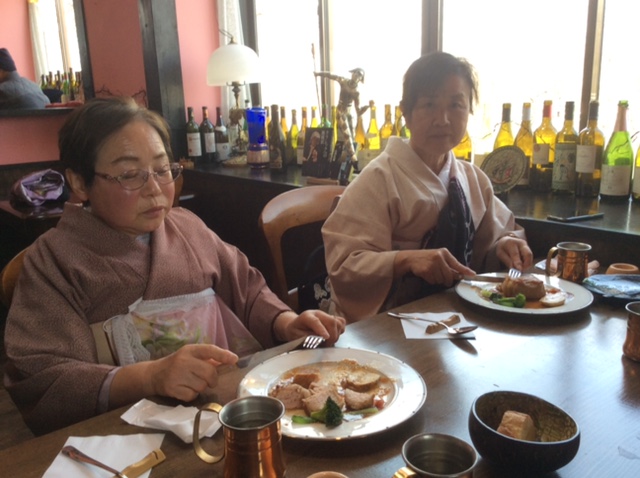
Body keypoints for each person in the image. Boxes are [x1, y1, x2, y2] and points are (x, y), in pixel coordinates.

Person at [3, 97, 346, 434]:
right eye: (130, 174)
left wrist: (286, 323)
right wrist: (150, 376)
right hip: (125, 438)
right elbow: (44, 375)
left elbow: (247, 290)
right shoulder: (53, 261)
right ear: (79, 183)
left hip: (230, 415)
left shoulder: (187, 227)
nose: (154, 189)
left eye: (162, 169)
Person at [322, 52, 533, 322]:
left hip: (454, 318)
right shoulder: (378, 180)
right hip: (388, 324)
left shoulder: (473, 179)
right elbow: (344, 265)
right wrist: (405, 260)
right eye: (429, 104)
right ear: (406, 113)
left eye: (456, 105)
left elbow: (498, 235)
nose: (442, 119)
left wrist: (506, 245)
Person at [314, 68, 367, 161]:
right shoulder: (343, 81)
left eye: (359, 75)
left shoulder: (356, 92)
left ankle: (347, 157)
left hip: (349, 114)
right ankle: (353, 159)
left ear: (360, 79)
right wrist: (318, 73)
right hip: (340, 111)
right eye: (356, 73)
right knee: (347, 134)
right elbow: (330, 75)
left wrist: (365, 108)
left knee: (352, 135)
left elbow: (358, 111)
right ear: (352, 73)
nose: (356, 76)